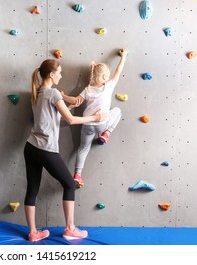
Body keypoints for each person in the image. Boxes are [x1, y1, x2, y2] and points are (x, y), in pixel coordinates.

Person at [24, 59, 106, 242]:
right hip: (45, 148)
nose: (61, 75)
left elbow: (51, 121)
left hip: (30, 147)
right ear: (51, 75)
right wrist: (95, 117)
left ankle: (33, 233)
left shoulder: (37, 93)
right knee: (69, 184)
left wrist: (68, 107)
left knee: (32, 190)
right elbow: (70, 121)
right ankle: (70, 229)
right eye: (59, 72)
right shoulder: (53, 93)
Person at [61, 48, 128, 188]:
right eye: (107, 76)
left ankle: (77, 175)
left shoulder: (88, 89)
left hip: (87, 125)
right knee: (117, 110)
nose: (109, 78)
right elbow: (118, 71)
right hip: (101, 122)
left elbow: (74, 101)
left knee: (83, 148)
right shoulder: (108, 86)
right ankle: (107, 134)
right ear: (104, 77)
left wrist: (63, 96)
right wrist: (123, 56)